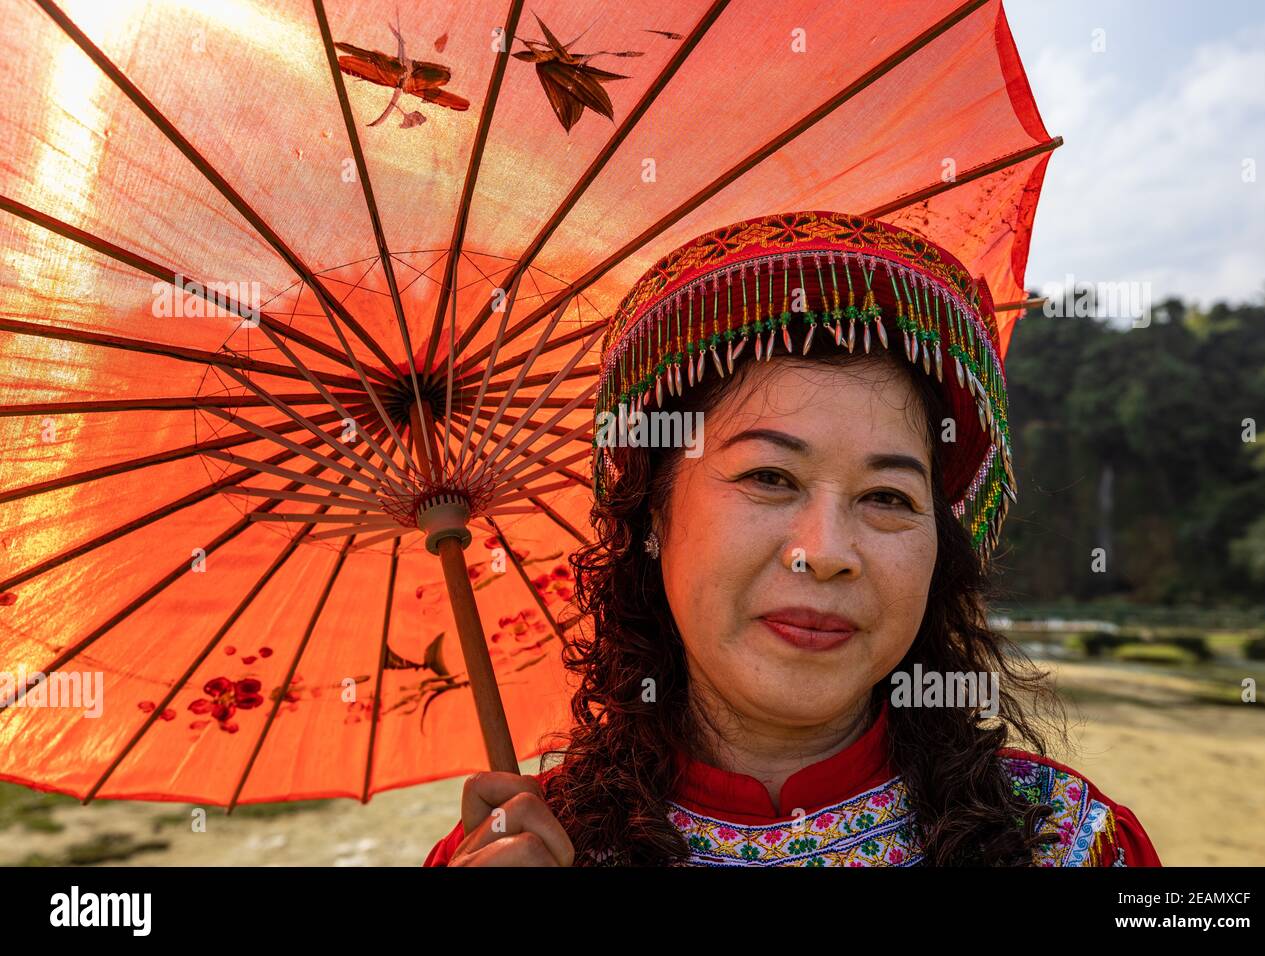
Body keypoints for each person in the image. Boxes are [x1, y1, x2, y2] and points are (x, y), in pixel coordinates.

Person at [424, 211, 1161, 867]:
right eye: (771, 478)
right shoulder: (521, 846)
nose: (829, 550)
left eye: (887, 497)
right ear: (656, 516)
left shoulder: (1067, 844)